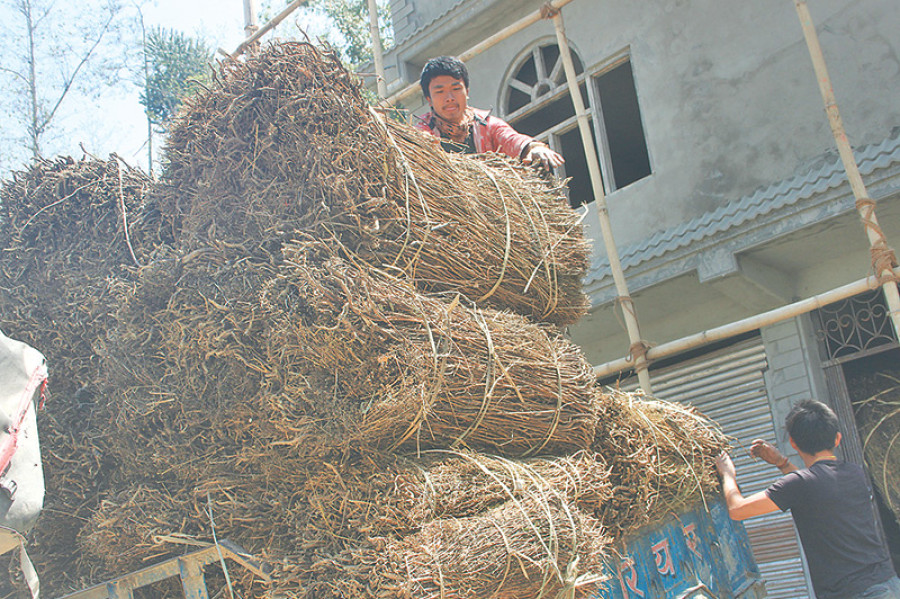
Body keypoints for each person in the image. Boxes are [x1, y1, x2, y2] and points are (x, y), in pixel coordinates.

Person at [716, 399, 900, 599]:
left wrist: (727, 474)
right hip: (889, 584)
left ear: (793, 442)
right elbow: (814, 489)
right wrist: (782, 463)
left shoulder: (800, 485)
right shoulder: (855, 473)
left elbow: (737, 509)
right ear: (837, 439)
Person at [415, 56, 564, 171]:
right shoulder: (421, 133)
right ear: (429, 99)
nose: (449, 98)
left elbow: (511, 139)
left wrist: (533, 148)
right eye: (440, 92)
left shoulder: (486, 124)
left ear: (466, 92)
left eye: (455, 89)